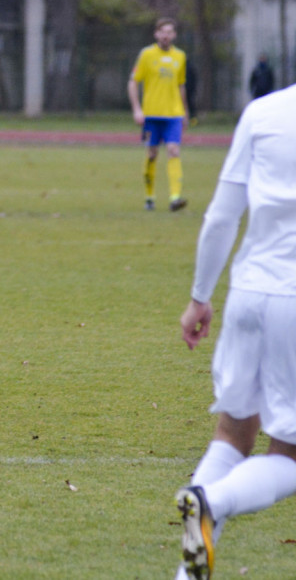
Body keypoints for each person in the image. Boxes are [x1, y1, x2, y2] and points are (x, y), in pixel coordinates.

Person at [174, 83, 296, 579]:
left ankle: (186, 576)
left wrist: (200, 296)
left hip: (249, 293)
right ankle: (212, 500)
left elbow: (222, 216)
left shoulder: (263, 112)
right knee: (290, 455)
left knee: (232, 433)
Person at [128, 17, 189, 212]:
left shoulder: (180, 56)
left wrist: (185, 111)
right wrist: (137, 109)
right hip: (152, 115)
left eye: (169, 32)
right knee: (152, 154)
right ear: (156, 34)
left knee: (173, 150)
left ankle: (175, 197)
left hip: (173, 115)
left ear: (174, 35)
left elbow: (181, 85)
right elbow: (133, 82)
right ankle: (149, 197)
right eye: (163, 32)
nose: (166, 35)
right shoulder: (146, 54)